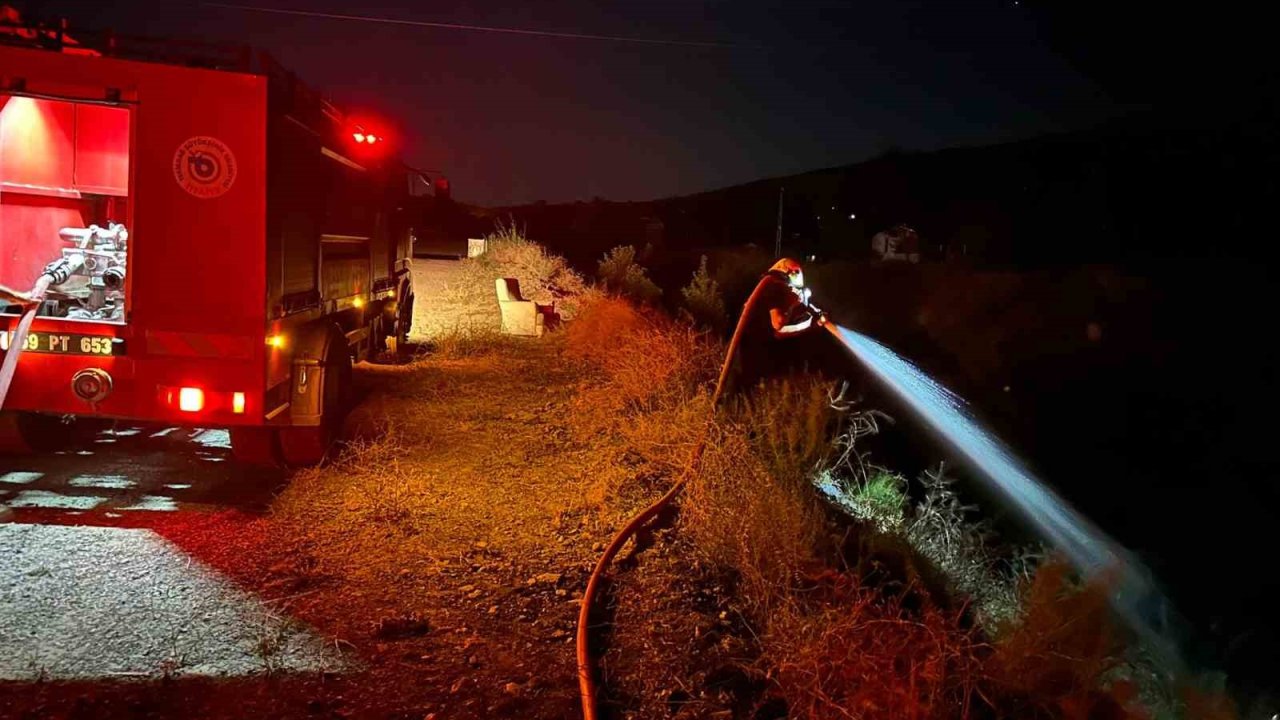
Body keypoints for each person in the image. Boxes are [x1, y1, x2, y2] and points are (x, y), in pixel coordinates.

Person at [730, 258, 833, 392]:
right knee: (754, 390)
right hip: (756, 352)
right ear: (788, 274)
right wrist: (805, 318)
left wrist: (808, 320)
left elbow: (779, 327)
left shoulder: (768, 286)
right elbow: (779, 325)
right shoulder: (775, 286)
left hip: (749, 349)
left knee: (747, 388)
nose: (793, 291)